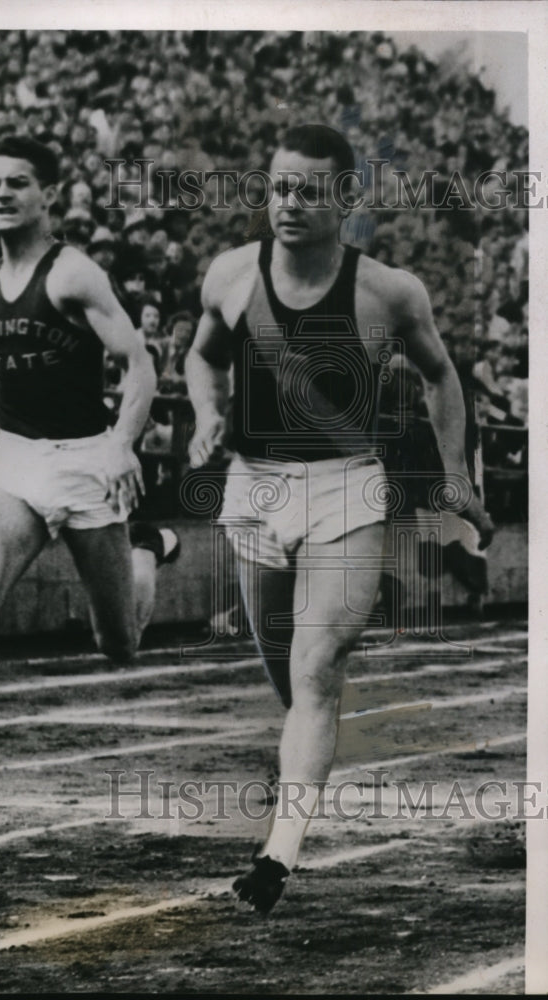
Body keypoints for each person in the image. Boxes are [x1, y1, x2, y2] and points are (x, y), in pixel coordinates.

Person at [185, 123, 494, 914]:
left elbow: (440, 374)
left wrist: (455, 474)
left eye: (308, 190)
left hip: (348, 486)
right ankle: (304, 772)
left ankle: (276, 859)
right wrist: (203, 414)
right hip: (256, 484)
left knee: (318, 669)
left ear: (346, 199)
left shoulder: (387, 290)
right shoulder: (230, 274)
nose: (288, 203)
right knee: (287, 673)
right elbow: (202, 355)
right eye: (279, 187)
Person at [0, 135, 178, 802]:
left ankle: (146, 550)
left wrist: (123, 443)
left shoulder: (74, 273)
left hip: (87, 458)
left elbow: (138, 364)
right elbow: (13, 371)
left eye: (17, 183)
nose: (2, 194)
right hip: (17, 456)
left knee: (118, 644)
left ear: (48, 195)